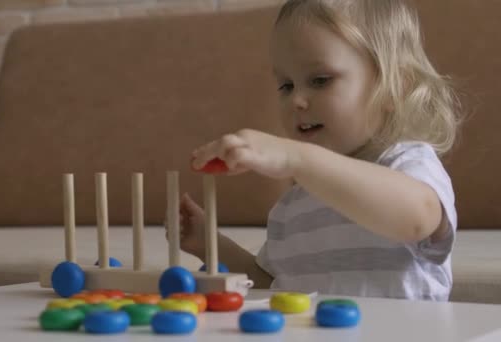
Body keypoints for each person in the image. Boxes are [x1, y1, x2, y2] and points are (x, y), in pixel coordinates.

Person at [169, 0, 462, 301]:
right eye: (286, 86)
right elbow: (275, 285)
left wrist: (297, 158)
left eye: (320, 81)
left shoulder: (407, 163)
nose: (297, 100)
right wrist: (209, 243)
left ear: (395, 86)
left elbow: (416, 218)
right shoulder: (295, 204)